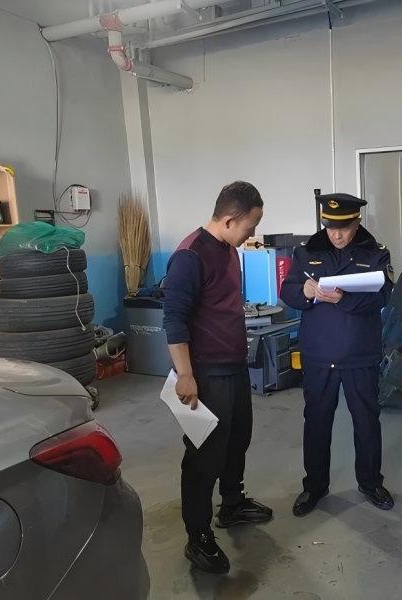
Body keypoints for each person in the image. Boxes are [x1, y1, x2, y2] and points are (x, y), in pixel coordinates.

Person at [163, 180, 273, 574]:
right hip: (206, 374)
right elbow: (174, 320)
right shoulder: (189, 256)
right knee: (204, 456)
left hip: (234, 367)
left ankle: (232, 504)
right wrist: (185, 374)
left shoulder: (228, 250)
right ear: (228, 220)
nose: (252, 234)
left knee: (237, 440)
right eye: (250, 226)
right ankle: (198, 537)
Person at [279, 193, 395, 517]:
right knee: (316, 421)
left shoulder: (376, 253)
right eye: (331, 227)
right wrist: (303, 291)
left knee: (366, 421)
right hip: (319, 354)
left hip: (360, 354)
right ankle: (314, 486)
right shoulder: (306, 252)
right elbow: (287, 290)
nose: (337, 235)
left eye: (343, 228)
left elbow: (384, 295)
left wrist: (344, 299)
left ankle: (370, 482)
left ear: (356, 223)